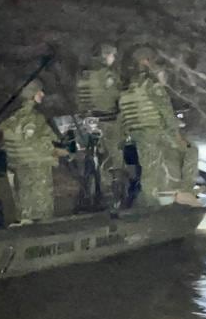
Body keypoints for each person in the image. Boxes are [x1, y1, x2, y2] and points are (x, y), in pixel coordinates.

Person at [118, 46, 193, 205]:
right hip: (156, 131)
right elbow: (166, 112)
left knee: (149, 168)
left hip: (139, 132)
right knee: (190, 151)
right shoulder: (152, 86)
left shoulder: (127, 86)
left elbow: (124, 114)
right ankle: (186, 192)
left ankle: (152, 200)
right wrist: (177, 136)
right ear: (146, 61)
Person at [0, 80, 63, 222]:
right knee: (42, 213)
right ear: (31, 94)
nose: (43, 94)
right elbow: (36, 143)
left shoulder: (13, 118)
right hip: (38, 171)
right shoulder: (33, 118)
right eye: (39, 91)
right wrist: (57, 151)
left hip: (22, 168)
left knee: (25, 210)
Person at [75, 42, 124, 205]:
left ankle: (92, 191)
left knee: (92, 156)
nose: (113, 58)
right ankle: (115, 191)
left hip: (90, 121)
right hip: (108, 119)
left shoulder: (84, 75)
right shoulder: (107, 74)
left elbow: (80, 99)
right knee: (116, 155)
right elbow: (117, 94)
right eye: (111, 55)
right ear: (105, 55)